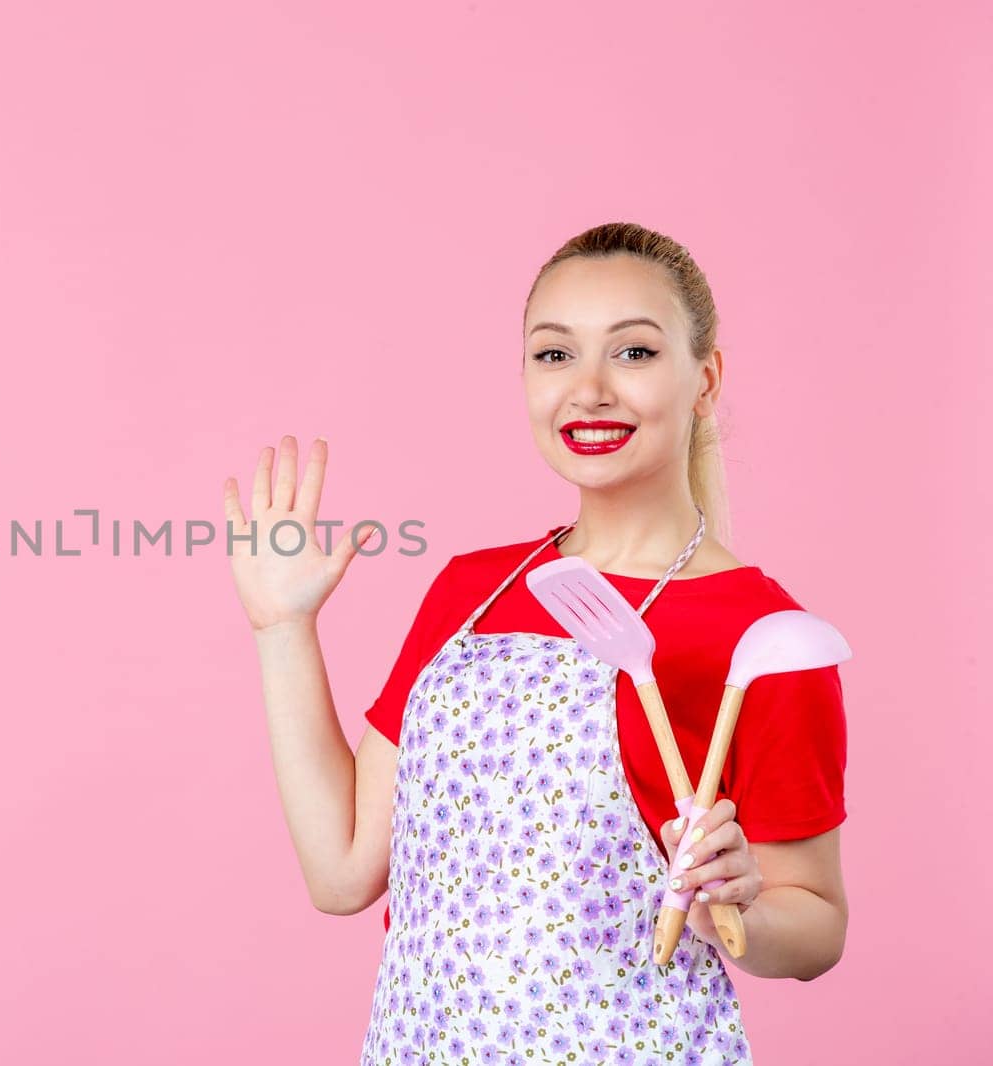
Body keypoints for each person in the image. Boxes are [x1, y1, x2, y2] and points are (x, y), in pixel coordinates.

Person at [222, 222, 848, 1065]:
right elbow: (341, 872)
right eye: (555, 356)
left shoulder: (760, 633)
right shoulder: (470, 590)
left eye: (632, 353)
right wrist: (282, 628)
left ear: (705, 378)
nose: (588, 390)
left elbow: (818, 925)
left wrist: (737, 909)